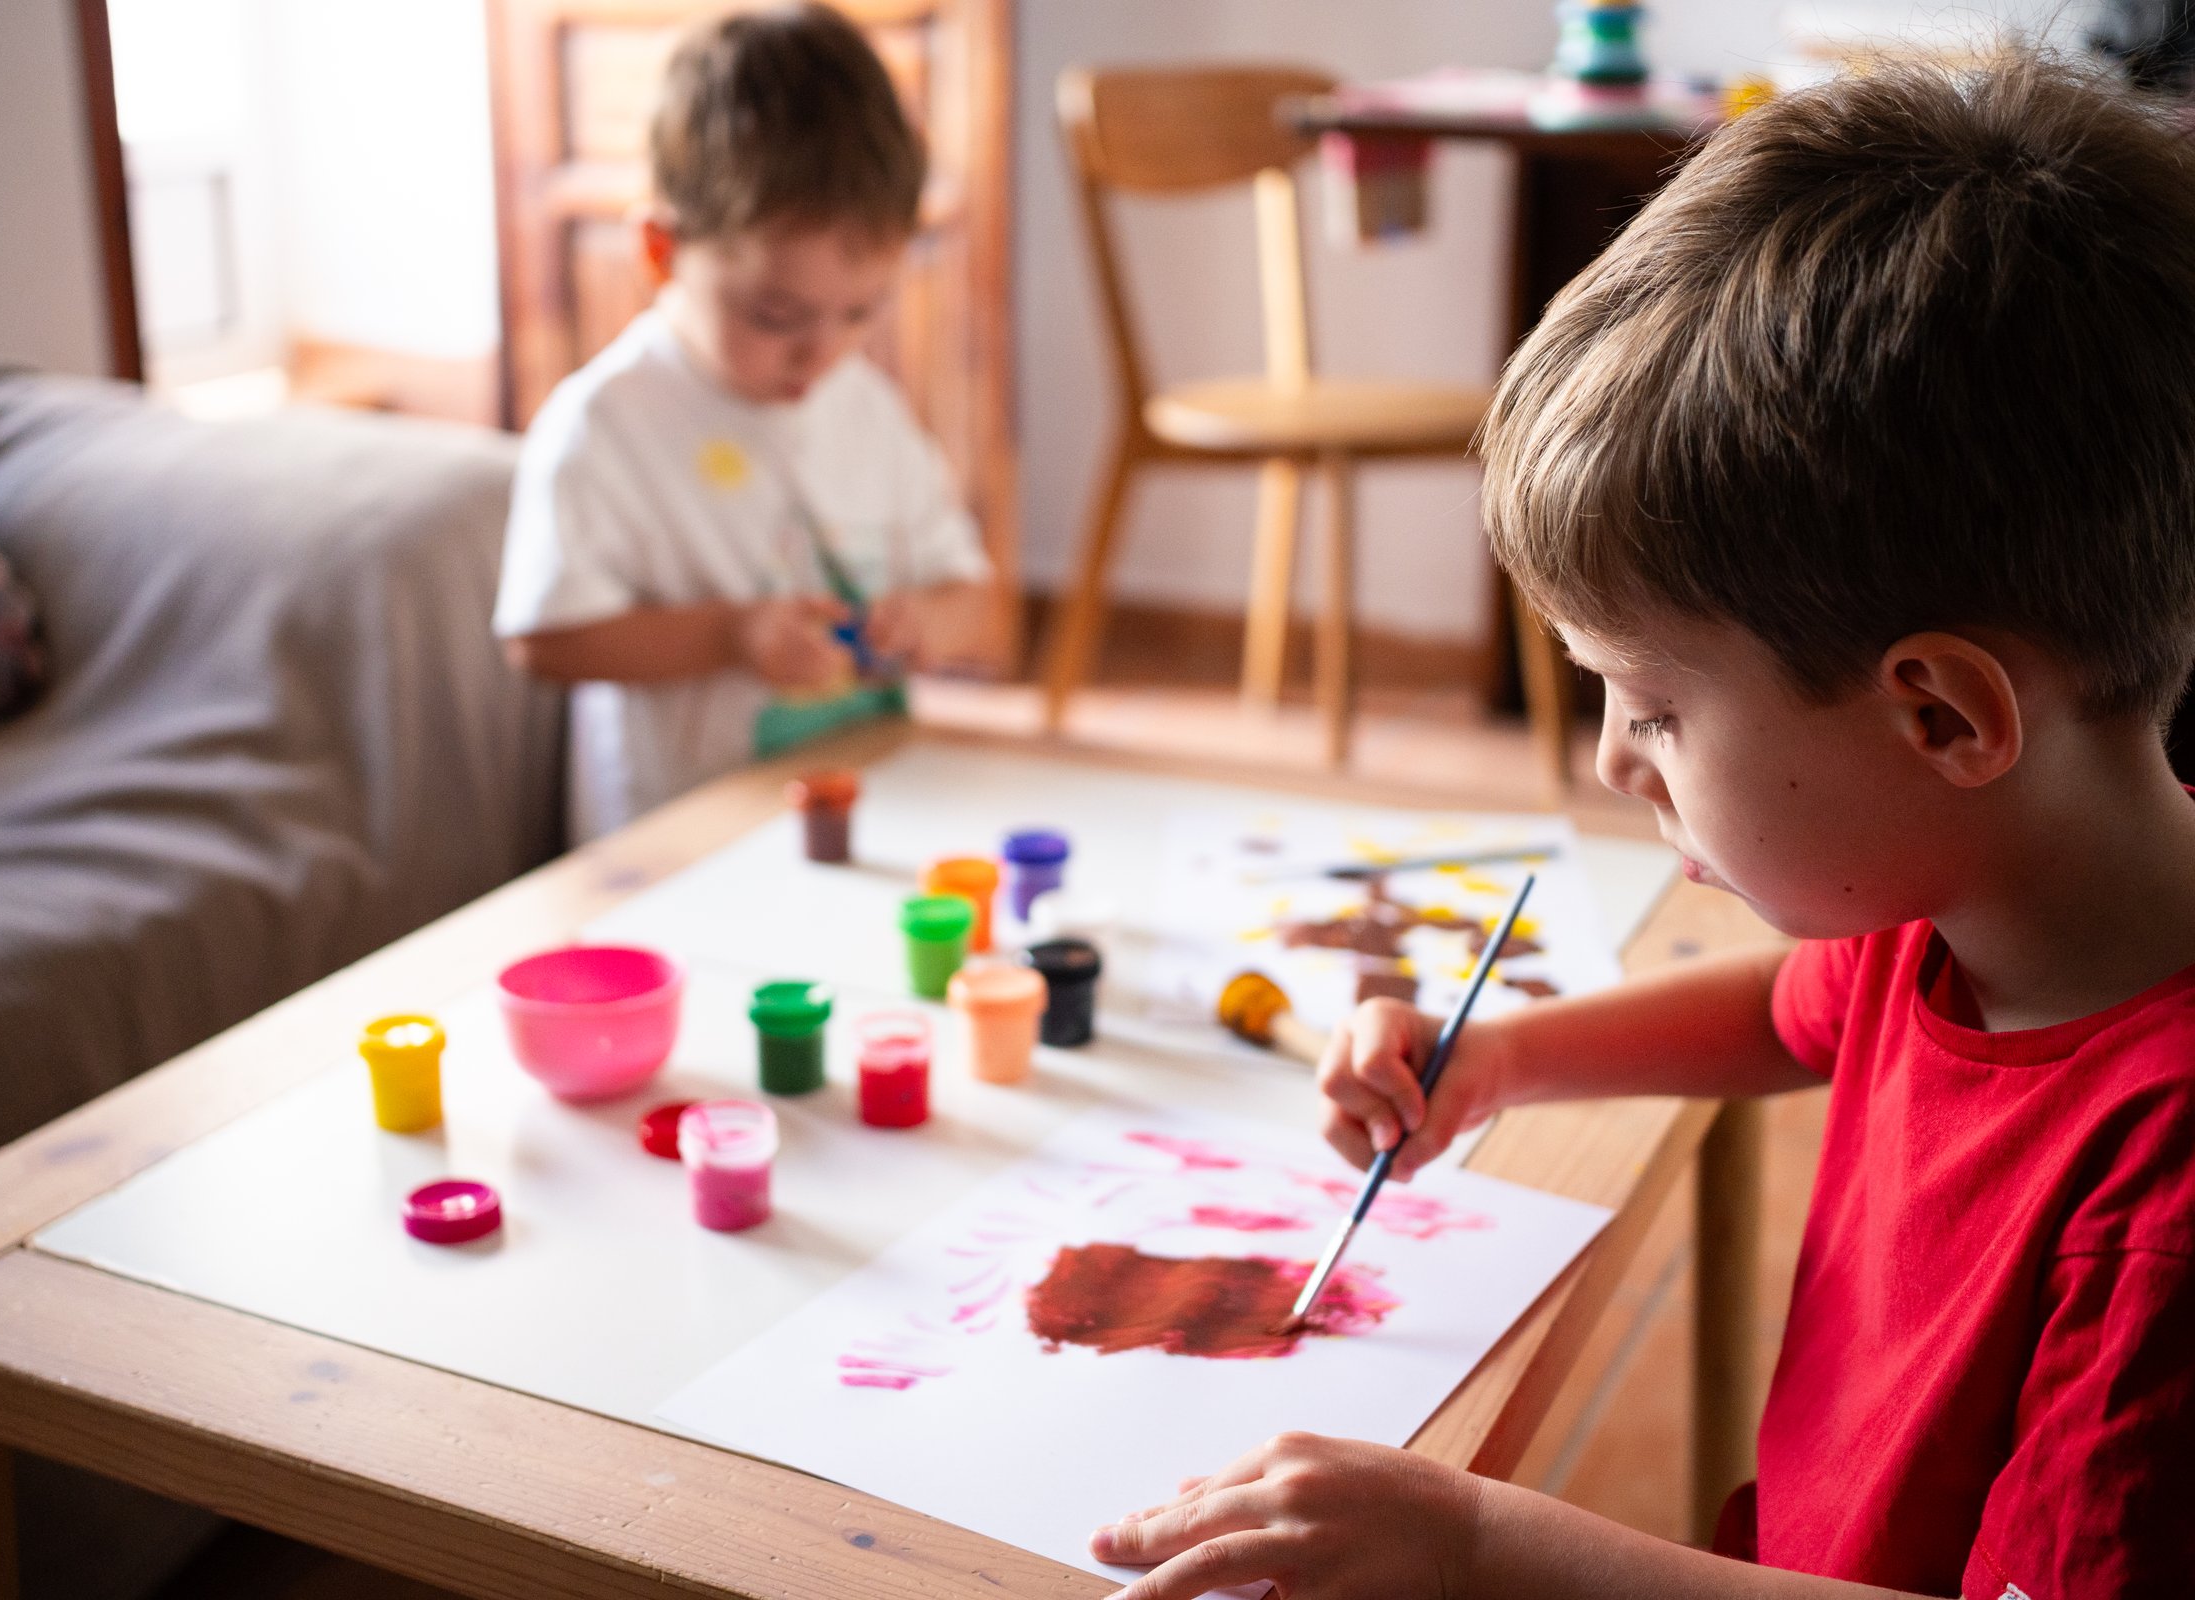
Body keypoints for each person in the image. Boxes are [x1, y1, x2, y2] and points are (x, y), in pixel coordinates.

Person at [1091, 55, 2195, 1600]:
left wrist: (1477, 1541)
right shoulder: (1970, 900)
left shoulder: (2164, 1206)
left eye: (1657, 708)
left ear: (1942, 715)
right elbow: (1786, 1014)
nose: (1615, 763)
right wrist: (1508, 1061)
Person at [494, 3, 993, 841]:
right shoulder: (606, 422)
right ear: (662, 252)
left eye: (858, 313)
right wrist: (729, 635)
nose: (819, 354)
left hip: (863, 806)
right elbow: (544, 639)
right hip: (679, 833)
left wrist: (927, 619)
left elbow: (970, 592)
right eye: (775, 315)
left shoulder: (863, 403)